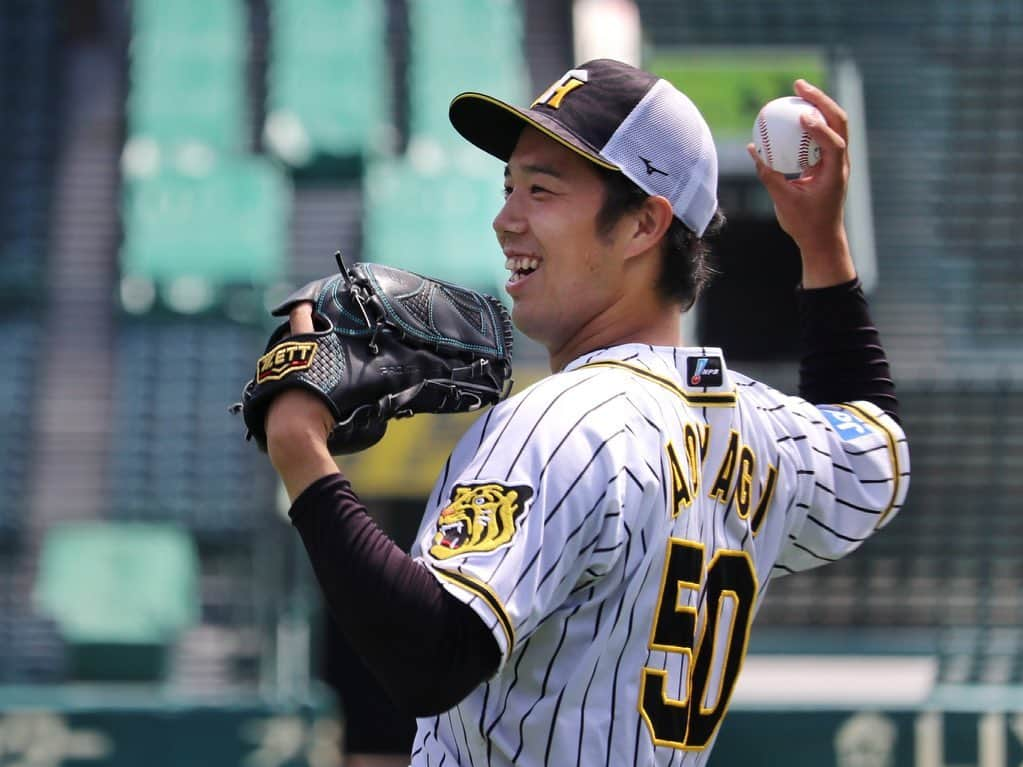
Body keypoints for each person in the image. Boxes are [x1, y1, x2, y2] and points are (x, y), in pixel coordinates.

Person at [261, 58, 910, 766]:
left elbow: (431, 656)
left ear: (641, 225)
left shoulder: (559, 421)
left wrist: (300, 446)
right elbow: (872, 443)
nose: (505, 219)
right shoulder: (756, 428)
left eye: (541, 190)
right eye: (509, 186)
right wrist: (820, 242)